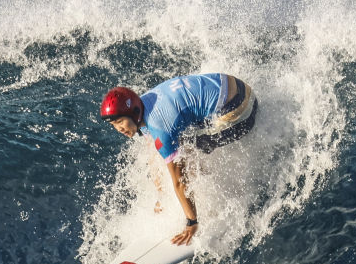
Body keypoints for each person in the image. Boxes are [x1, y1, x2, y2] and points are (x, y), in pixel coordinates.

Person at [100, 73, 259, 245]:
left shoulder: (160, 127)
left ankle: (211, 199)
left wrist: (191, 222)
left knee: (188, 150)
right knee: (180, 141)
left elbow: (180, 181)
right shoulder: (145, 104)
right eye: (113, 125)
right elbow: (153, 149)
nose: (119, 129)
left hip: (242, 112)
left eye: (120, 121)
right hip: (235, 85)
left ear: (134, 113)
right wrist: (161, 195)